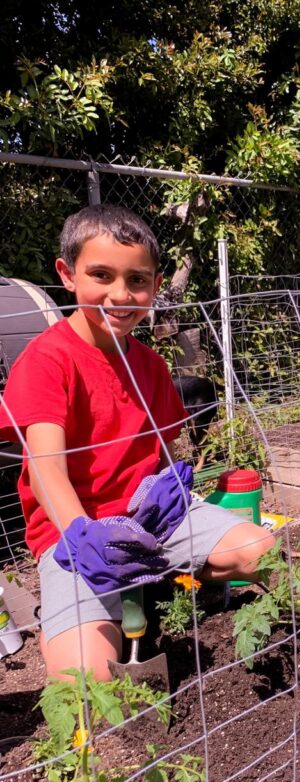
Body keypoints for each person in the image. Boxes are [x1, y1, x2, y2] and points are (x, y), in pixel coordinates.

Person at [0, 205, 274, 681]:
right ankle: (63, 626)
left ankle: (165, 575)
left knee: (263, 553)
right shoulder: (46, 362)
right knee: (86, 684)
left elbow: (162, 450)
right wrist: (82, 532)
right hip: (74, 536)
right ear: (67, 274)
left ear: (155, 283)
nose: (120, 295)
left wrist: (171, 481)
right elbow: (46, 470)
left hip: (151, 518)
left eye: (137, 280)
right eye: (101, 275)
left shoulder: (151, 365)